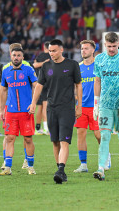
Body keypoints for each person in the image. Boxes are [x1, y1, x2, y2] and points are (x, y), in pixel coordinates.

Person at [29, 39, 82, 184]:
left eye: (54, 50)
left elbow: (78, 85)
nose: (51, 53)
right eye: (50, 51)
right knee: (55, 142)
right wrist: (33, 103)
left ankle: (61, 170)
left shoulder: (72, 65)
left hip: (67, 108)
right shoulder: (46, 66)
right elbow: (39, 86)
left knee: (64, 140)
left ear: (61, 50)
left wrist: (79, 106)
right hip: (51, 108)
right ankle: (59, 169)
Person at [92, 32, 119, 181]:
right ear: (105, 44)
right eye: (109, 46)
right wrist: (96, 103)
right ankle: (101, 168)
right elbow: (97, 81)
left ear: (118, 44)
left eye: (114, 46)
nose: (111, 49)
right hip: (105, 105)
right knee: (104, 136)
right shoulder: (99, 59)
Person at [0, 47, 37, 176]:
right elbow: (3, 90)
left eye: (19, 55)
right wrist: (1, 108)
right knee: (9, 138)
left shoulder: (28, 69)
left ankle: (30, 167)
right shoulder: (5, 71)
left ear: (22, 57)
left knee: (28, 139)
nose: (16, 57)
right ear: (10, 56)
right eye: (14, 55)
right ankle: (8, 167)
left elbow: (36, 86)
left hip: (26, 111)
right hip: (11, 110)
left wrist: (33, 103)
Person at [73, 40, 101, 173]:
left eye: (86, 48)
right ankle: (83, 164)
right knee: (81, 134)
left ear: (92, 50)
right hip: (81, 107)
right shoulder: (78, 67)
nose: (83, 51)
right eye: (82, 48)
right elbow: (74, 87)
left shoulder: (99, 65)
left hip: (96, 106)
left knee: (99, 135)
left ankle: (105, 158)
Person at [33, 41, 50, 135]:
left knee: (40, 106)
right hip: (47, 84)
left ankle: (37, 128)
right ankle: (46, 128)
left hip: (40, 83)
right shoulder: (51, 56)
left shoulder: (40, 56)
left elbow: (35, 65)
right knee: (45, 106)